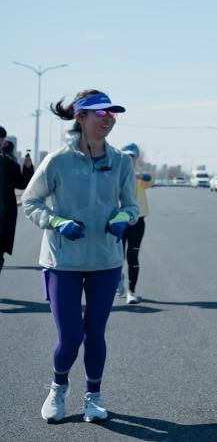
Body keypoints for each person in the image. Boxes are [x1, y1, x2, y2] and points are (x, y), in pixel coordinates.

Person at [21, 90, 138, 424]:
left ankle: (94, 396)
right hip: (63, 262)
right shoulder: (57, 160)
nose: (108, 118)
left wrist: (122, 218)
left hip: (105, 261)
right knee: (71, 337)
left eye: (112, 113)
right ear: (81, 117)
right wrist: (57, 222)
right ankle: (58, 387)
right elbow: (31, 201)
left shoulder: (121, 161)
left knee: (95, 334)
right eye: (100, 113)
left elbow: (131, 206)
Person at [117, 143, 153, 304]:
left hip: (137, 222)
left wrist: (136, 174)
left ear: (136, 158)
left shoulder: (140, 175)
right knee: (117, 257)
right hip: (118, 221)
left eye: (132, 156)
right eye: (126, 155)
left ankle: (131, 291)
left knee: (132, 256)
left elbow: (150, 179)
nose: (129, 158)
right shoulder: (115, 173)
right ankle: (118, 279)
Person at [1, 129, 35, 275]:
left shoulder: (9, 165)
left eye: (1, 138)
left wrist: (27, 169)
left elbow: (22, 184)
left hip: (3, 216)